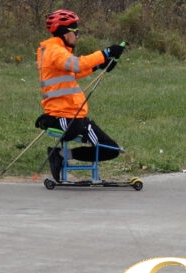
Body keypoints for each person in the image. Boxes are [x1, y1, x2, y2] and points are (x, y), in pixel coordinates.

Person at [35, 9, 126, 182]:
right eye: (75, 31)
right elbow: (77, 65)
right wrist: (105, 53)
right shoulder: (55, 51)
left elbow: (73, 74)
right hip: (64, 115)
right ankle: (59, 155)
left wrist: (99, 66)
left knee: (111, 150)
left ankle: (60, 155)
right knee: (108, 149)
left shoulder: (56, 50)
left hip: (73, 114)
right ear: (64, 32)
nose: (77, 36)